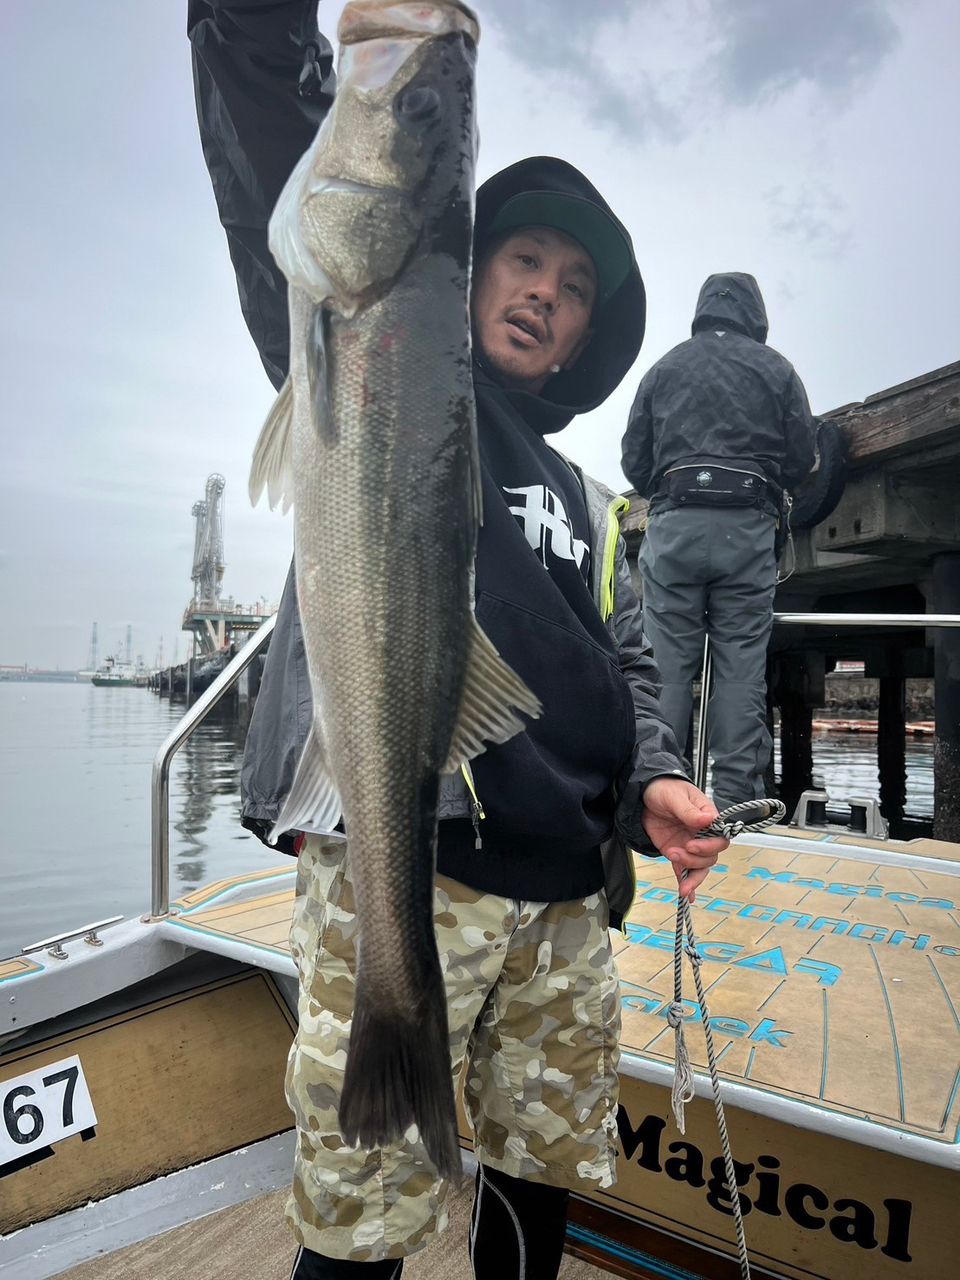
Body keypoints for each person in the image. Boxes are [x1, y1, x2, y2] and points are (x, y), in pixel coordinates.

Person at [189, 6, 727, 1277]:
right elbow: (274, 115)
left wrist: (651, 772)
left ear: (592, 329)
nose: (546, 289)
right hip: (411, 861)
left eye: (576, 284)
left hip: (568, 902)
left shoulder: (596, 498)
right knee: (361, 1206)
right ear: (466, 261)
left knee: (542, 1181)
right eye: (525, 257)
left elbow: (630, 660)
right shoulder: (365, 349)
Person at [621, 273, 816, 811]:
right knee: (740, 668)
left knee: (664, 669)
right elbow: (802, 456)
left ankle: (660, 797)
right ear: (754, 314)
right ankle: (735, 806)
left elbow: (634, 460)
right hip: (748, 528)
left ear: (703, 310)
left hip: (676, 523)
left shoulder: (665, 368)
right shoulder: (777, 369)